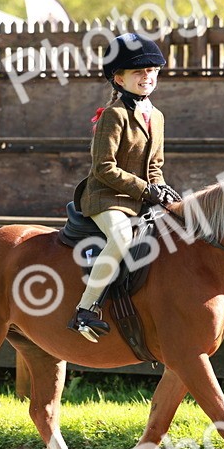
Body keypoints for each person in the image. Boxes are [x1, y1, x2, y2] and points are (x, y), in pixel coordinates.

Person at [68, 33, 181, 342]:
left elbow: (155, 166)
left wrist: (161, 190)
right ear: (119, 78)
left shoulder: (156, 116)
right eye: (139, 72)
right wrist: (147, 190)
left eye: (152, 70)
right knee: (120, 237)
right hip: (106, 198)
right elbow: (103, 168)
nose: (148, 77)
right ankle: (85, 309)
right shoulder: (113, 116)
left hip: (140, 197)